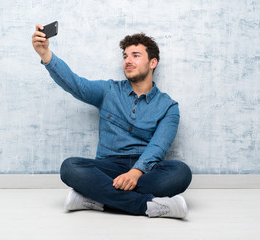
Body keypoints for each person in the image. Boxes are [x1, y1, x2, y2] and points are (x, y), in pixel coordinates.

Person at [32, 24, 192, 219]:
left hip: (146, 171)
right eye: (125, 56)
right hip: (108, 168)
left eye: (135, 55)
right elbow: (75, 84)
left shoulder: (168, 107)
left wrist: (135, 173)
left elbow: (158, 147)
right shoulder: (109, 90)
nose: (128, 61)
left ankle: (96, 199)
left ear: (152, 62)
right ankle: (146, 206)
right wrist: (45, 54)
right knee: (70, 167)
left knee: (181, 172)